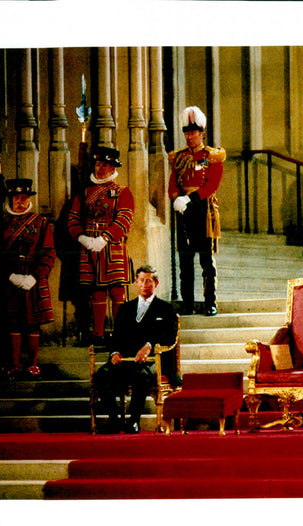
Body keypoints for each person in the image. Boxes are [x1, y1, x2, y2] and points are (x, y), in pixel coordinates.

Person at [92, 265, 179, 434]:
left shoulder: (166, 309)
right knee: (102, 375)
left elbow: (168, 338)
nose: (145, 284)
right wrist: (114, 353)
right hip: (125, 360)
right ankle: (114, 420)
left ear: (156, 283)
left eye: (149, 281)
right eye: (141, 280)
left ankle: (133, 421)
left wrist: (149, 346)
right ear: (136, 282)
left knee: (141, 377)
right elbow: (116, 336)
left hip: (151, 361)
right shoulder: (125, 309)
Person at [67, 146, 134, 343]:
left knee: (116, 290)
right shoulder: (84, 193)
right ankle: (98, 333)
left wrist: (104, 238)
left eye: (105, 165)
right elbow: (72, 219)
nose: (100, 168)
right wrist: (82, 238)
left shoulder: (123, 192)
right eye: (98, 164)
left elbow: (124, 219)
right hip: (89, 246)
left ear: (114, 168)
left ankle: (121, 333)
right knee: (96, 290)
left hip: (111, 246)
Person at [0, 178, 56, 378]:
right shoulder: (0, 223)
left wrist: (36, 277)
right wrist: (9, 275)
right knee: (13, 323)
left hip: (33, 281)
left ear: (29, 198)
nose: (19, 201)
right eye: (15, 198)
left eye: (23, 197)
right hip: (10, 280)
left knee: (32, 324)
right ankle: (15, 365)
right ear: (10, 199)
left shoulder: (41, 223)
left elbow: (48, 253)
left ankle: (33, 365)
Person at [168, 106, 226, 316]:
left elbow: (211, 185)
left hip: (203, 210)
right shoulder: (179, 157)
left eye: (193, 133)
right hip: (183, 212)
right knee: (185, 261)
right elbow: (173, 183)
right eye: (187, 133)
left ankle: (210, 302)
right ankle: (187, 303)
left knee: (206, 262)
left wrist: (189, 199)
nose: (189, 137)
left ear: (202, 134)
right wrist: (175, 197)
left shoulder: (212, 156)